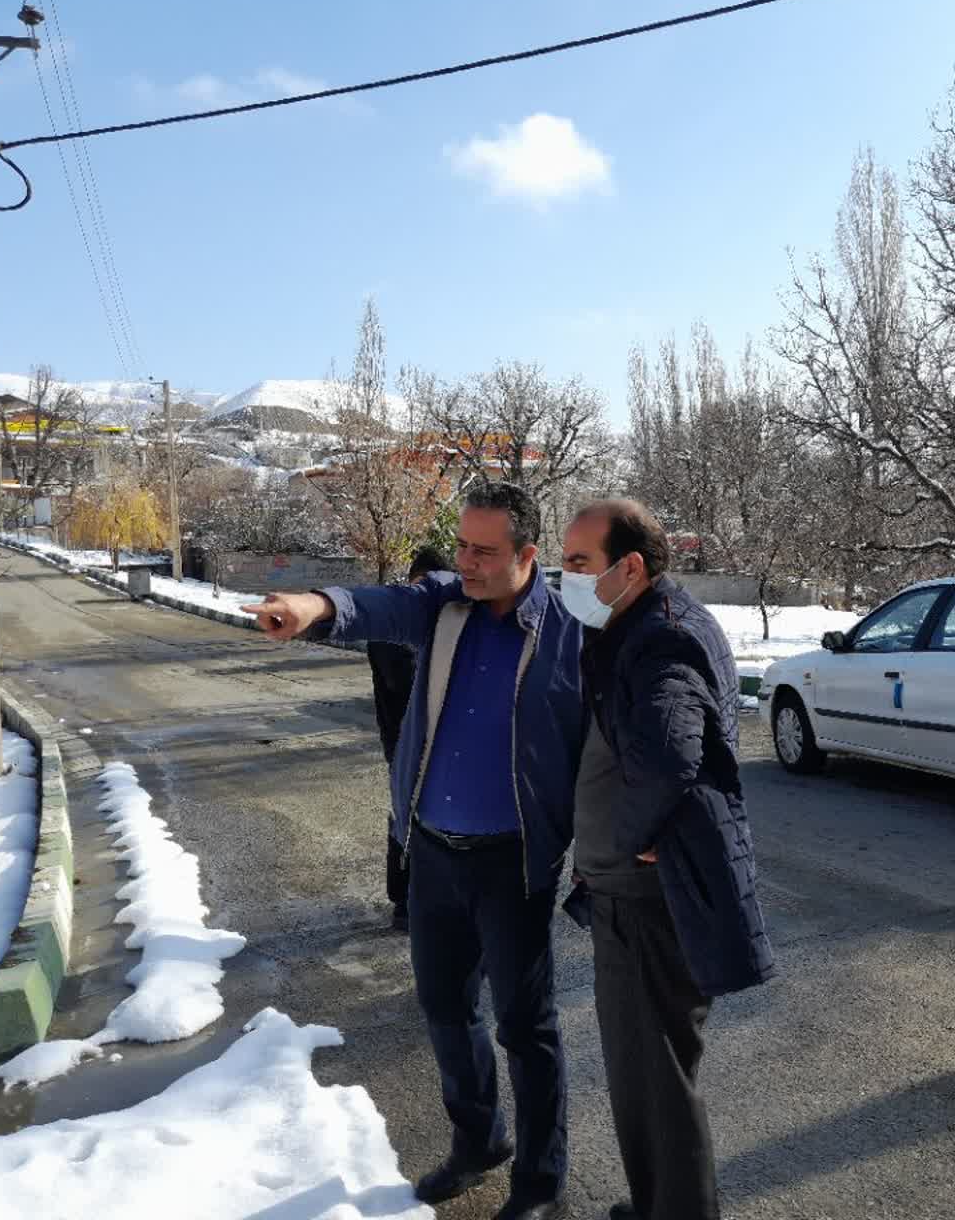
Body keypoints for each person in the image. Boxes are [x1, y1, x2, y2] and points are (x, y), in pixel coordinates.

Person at [243, 482, 581, 1220]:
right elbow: (379, 607)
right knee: (444, 1007)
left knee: (525, 1027)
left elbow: (596, 751)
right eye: (460, 545)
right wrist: (313, 606)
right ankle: (478, 1142)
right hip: (431, 851)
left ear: (527, 554)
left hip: (514, 862)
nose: (467, 562)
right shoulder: (444, 605)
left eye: (484, 551)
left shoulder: (566, 635)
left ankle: (540, 1182)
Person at [559, 498, 775, 1220]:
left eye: (579, 563)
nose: (567, 577)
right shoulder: (643, 623)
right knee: (648, 1073)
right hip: (639, 890)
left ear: (630, 567)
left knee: (655, 1077)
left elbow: (671, 755)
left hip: (646, 898)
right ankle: (660, 1204)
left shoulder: (660, 639)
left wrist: (625, 836)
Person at [366, 544, 451, 932]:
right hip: (405, 739)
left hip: (424, 739)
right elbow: (403, 680)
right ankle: (404, 901)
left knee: (424, 818)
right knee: (409, 816)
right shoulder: (395, 628)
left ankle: (418, 898)